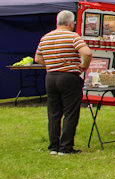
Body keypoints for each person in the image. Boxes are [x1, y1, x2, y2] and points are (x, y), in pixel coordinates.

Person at [35, 10, 92, 155]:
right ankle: (66, 148)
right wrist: (84, 66)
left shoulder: (46, 37)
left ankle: (53, 147)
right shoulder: (72, 36)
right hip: (68, 77)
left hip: (51, 77)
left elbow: (38, 59)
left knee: (54, 113)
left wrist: (51, 64)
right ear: (71, 24)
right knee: (70, 113)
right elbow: (87, 53)